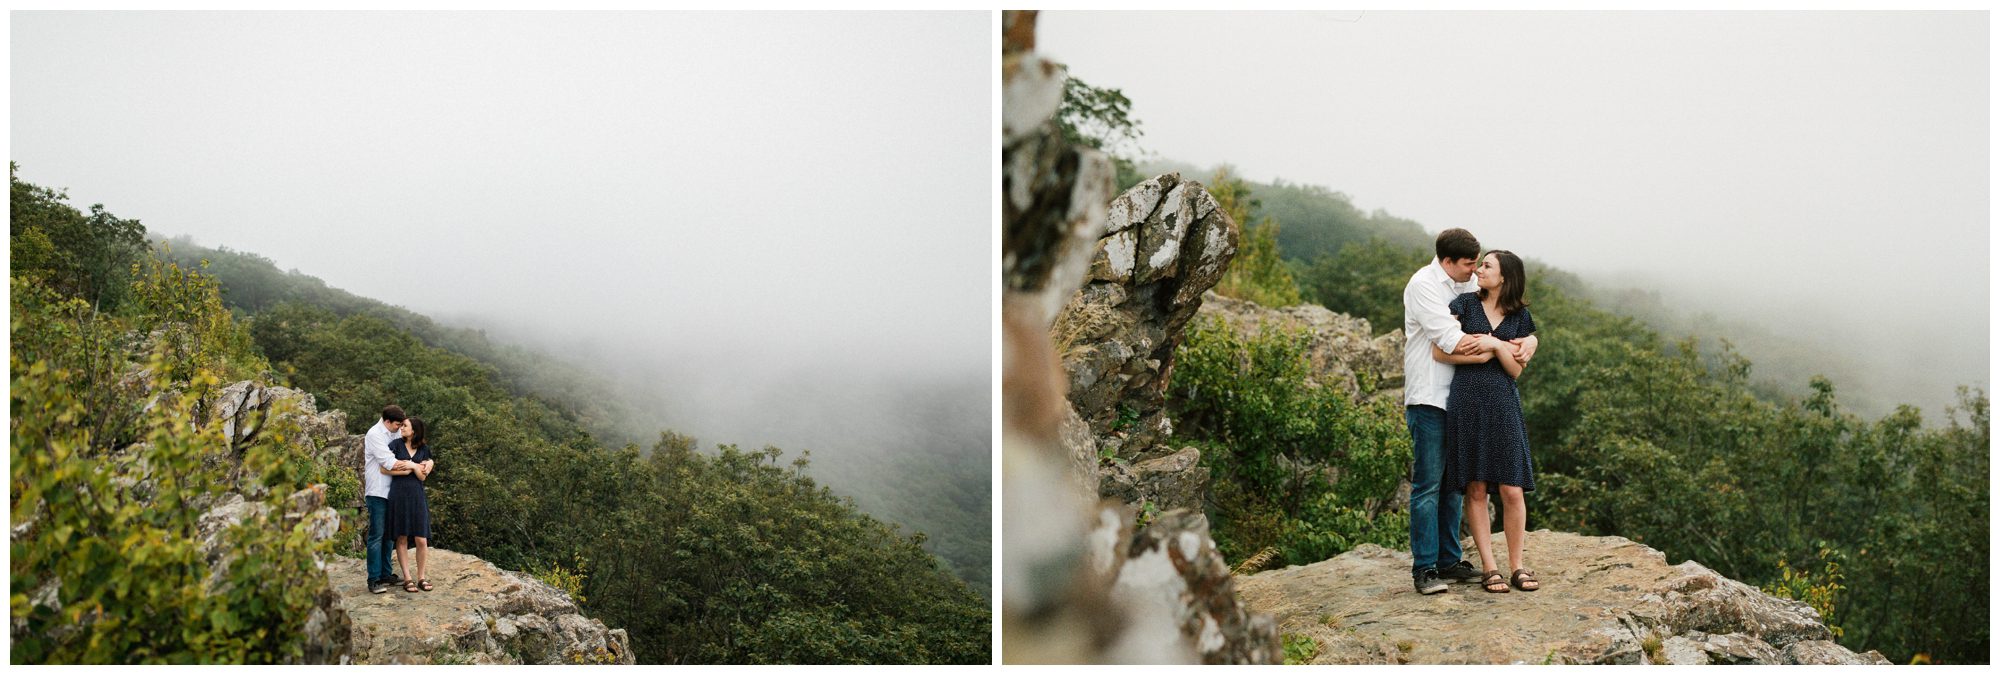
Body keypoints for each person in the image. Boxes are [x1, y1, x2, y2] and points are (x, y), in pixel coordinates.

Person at [1401, 229, 1537, 595]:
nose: (1475, 270)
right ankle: (1425, 568)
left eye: (1482, 264)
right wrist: (1498, 347)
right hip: (1431, 396)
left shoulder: (1463, 286)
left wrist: (1530, 341)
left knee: (1454, 485)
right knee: (1429, 484)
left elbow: (1516, 335)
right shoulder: (1425, 286)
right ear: (1448, 262)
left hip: (1466, 401)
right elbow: (1449, 343)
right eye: (1470, 263)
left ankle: (1449, 559)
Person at [383, 417, 436, 593]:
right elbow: (383, 469)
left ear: (414, 431)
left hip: (417, 496)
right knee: (402, 537)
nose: (401, 428)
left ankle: (421, 577)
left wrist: (413, 466)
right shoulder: (395, 445)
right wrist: (408, 470)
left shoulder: (424, 450)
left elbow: (422, 477)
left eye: (405, 426)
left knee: (421, 539)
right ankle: (407, 578)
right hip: (398, 495)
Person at [362, 405, 408, 594]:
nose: (400, 428)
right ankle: (373, 579)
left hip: (393, 491)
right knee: (376, 535)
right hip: (377, 491)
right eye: (398, 424)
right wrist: (412, 466)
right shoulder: (375, 434)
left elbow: (405, 451)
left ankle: (386, 573)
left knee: (389, 535)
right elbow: (389, 461)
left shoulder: (393, 433)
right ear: (387, 421)